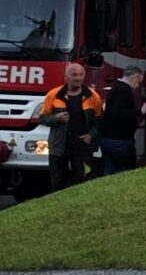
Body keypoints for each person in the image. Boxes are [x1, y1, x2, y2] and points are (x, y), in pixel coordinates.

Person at [36, 62, 101, 191]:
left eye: (81, 75)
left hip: (82, 147)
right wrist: (56, 118)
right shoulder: (53, 94)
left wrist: (91, 135)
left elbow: (99, 121)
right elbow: (42, 118)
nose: (78, 78)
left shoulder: (93, 96)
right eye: (75, 75)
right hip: (58, 147)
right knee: (57, 183)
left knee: (81, 183)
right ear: (67, 77)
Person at [95, 65, 141, 176]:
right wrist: (140, 111)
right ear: (134, 77)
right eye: (139, 81)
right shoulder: (124, 90)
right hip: (120, 140)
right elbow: (119, 113)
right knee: (124, 173)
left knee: (110, 172)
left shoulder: (115, 87)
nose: (138, 85)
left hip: (107, 138)